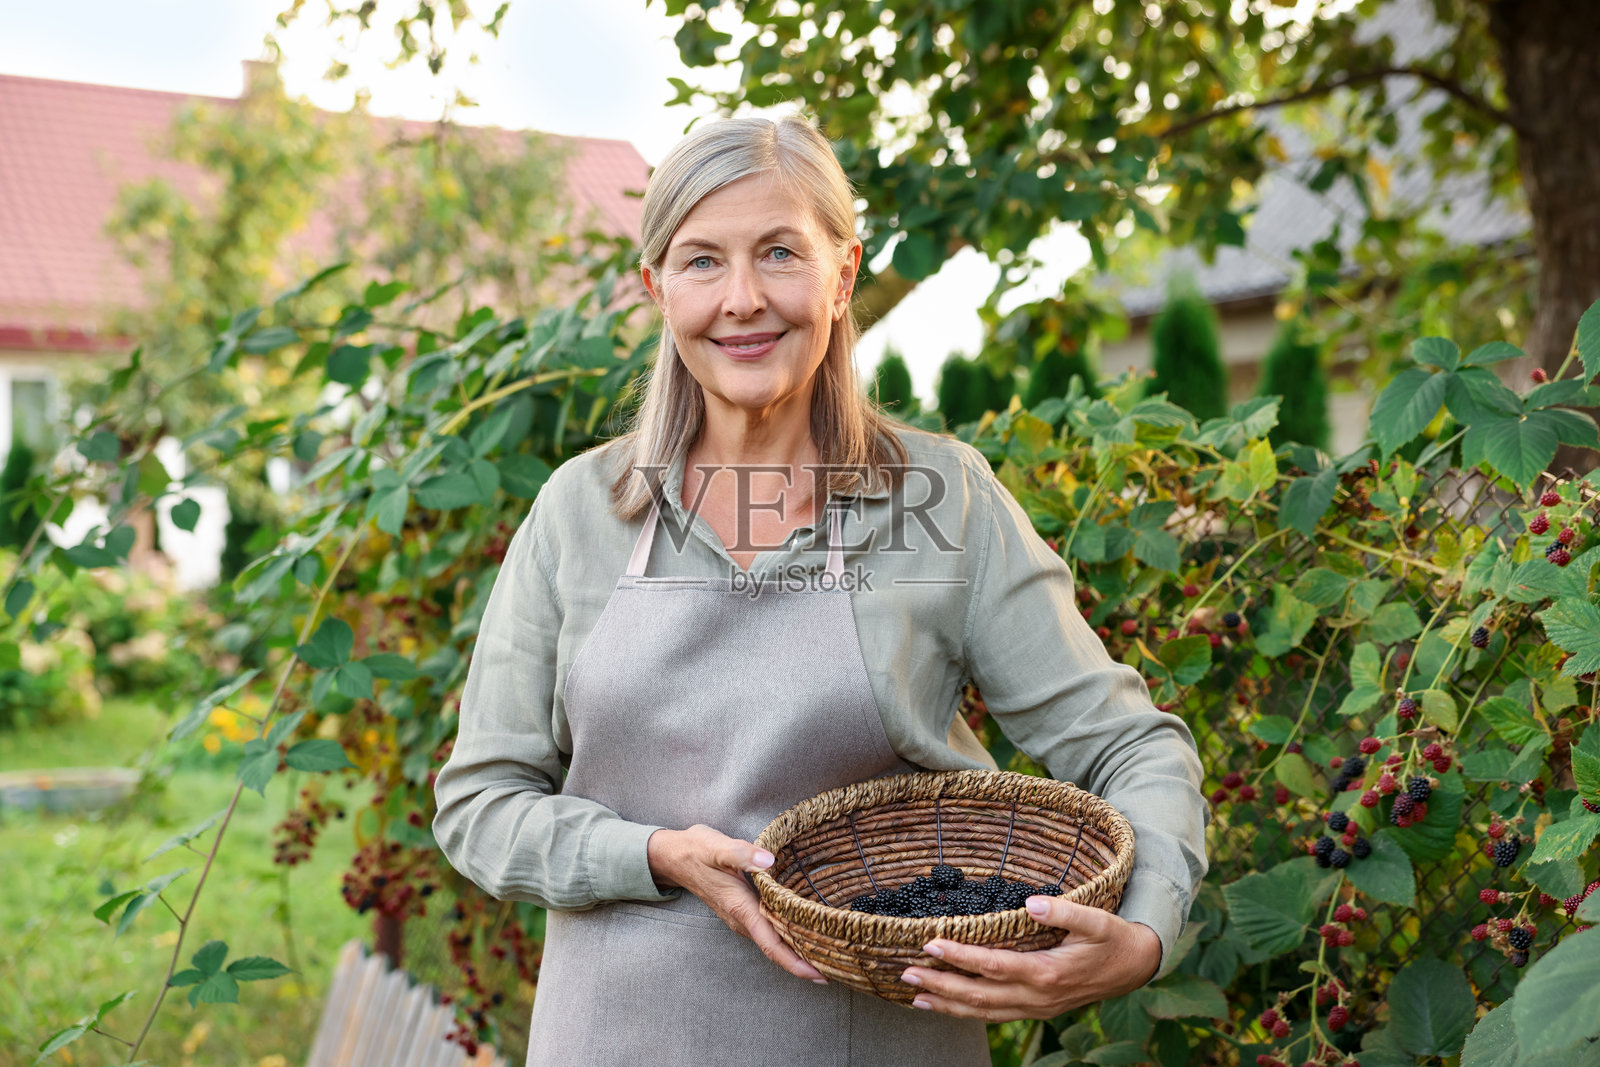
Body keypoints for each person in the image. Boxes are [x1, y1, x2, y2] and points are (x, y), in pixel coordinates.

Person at [432, 114, 1208, 1066]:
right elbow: (481, 805)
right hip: (611, 1037)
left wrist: (1144, 933)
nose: (743, 299)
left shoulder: (939, 502)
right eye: (703, 261)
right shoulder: (580, 510)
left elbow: (1131, 745)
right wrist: (650, 853)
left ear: (843, 276)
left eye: (781, 253)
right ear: (658, 288)